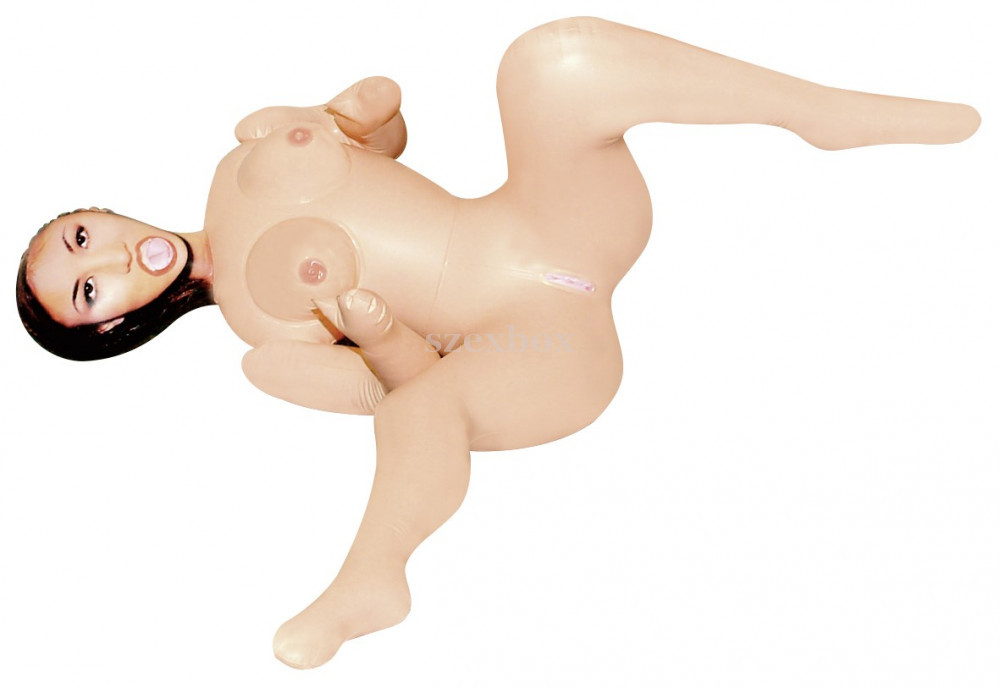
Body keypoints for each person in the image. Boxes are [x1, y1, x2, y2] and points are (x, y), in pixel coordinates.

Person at [15, 17, 980, 670]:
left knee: (547, 61)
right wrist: (381, 333)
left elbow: (385, 146)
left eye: (79, 238)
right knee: (427, 409)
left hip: (552, 230)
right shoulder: (260, 343)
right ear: (117, 327)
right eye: (89, 288)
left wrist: (359, 113)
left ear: (96, 209)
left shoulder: (237, 161)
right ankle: (372, 578)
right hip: (539, 343)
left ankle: (819, 111)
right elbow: (402, 387)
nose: (106, 257)